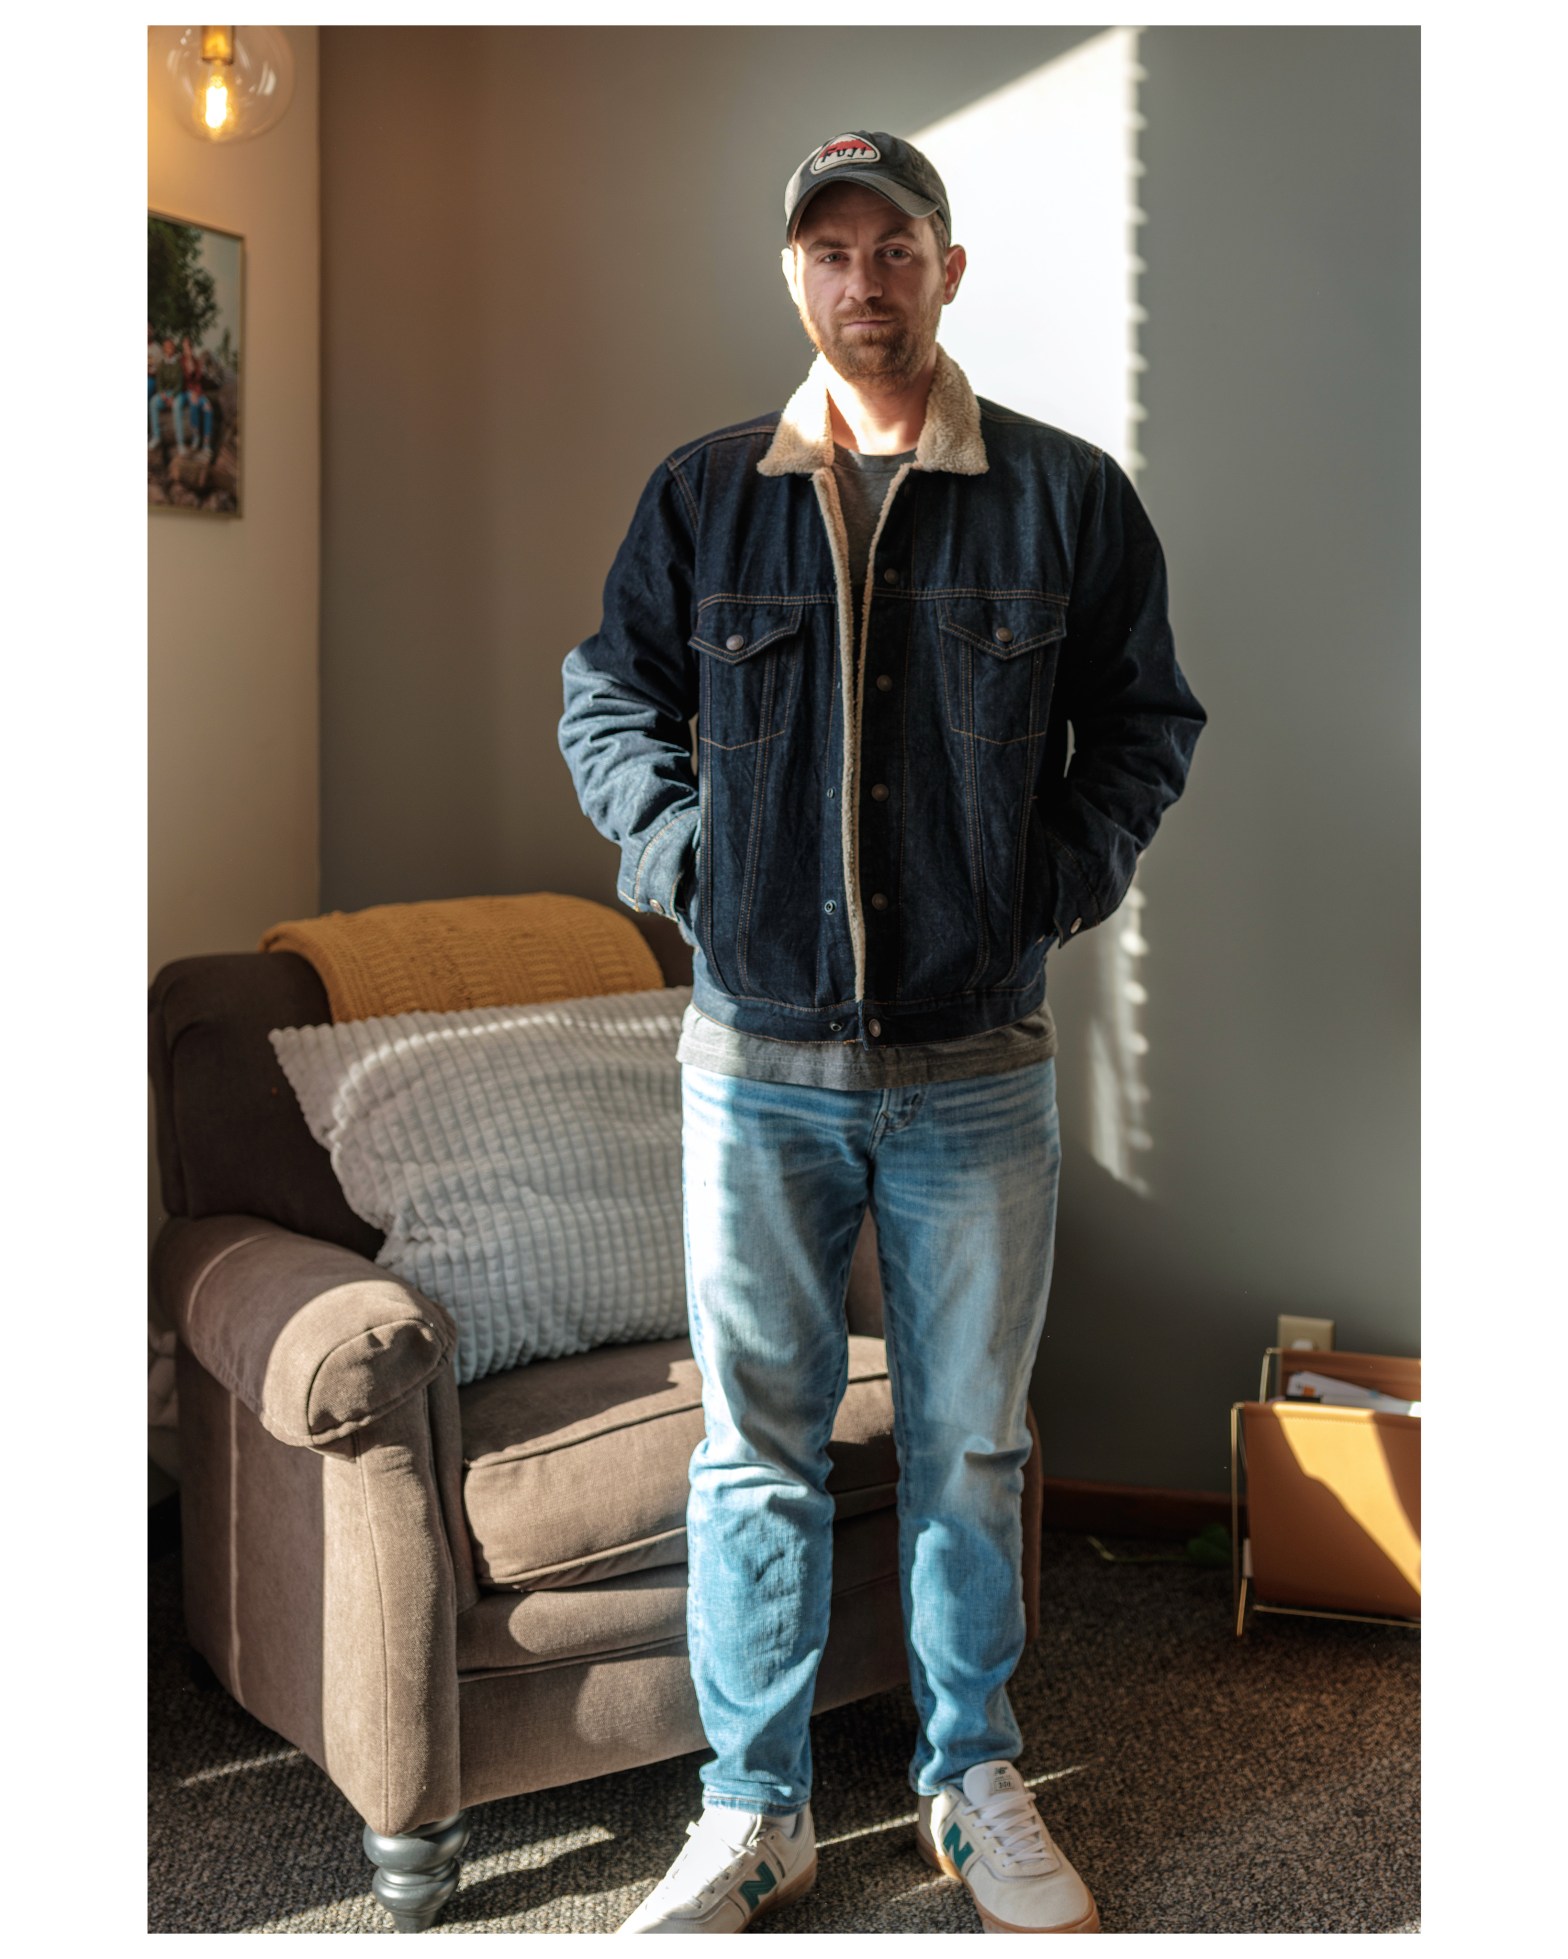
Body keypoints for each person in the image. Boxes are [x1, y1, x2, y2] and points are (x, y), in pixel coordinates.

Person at [558, 130, 1205, 1936]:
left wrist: (1045, 887)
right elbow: (609, 703)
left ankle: (969, 1776)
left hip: (973, 1069)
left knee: (970, 1447)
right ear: (796, 277)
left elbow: (1145, 724)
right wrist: (697, 871)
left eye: (895, 246)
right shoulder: (705, 496)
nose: (865, 281)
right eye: (831, 252)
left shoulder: (1067, 498)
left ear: (949, 267)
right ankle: (752, 1809)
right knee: (752, 1449)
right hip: (754, 1071)